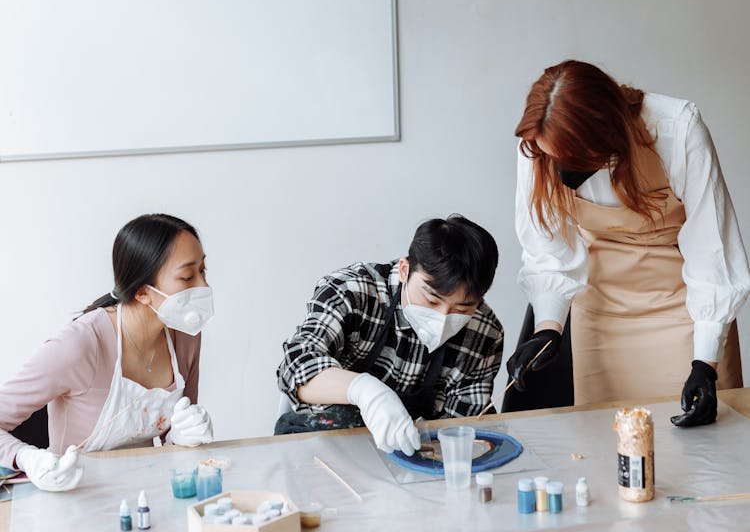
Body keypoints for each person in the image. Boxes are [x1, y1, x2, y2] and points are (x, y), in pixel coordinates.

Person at [507, 60, 750, 426]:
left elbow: (712, 250)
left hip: (683, 310)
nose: (557, 170)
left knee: (705, 452)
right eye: (550, 157)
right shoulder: (538, 145)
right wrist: (548, 328)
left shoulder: (677, 129)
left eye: (570, 159)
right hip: (601, 313)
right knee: (607, 445)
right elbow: (549, 252)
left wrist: (705, 363)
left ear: (606, 134)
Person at [0, 213, 215, 490]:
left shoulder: (186, 335)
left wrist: (184, 436)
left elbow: (175, 429)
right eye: (187, 276)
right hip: (75, 498)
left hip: (146, 493)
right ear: (141, 292)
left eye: (203, 271)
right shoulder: (79, 346)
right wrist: (26, 458)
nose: (203, 286)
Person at [275, 214, 504, 453]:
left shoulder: (485, 331)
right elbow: (296, 367)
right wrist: (365, 392)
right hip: (323, 446)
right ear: (405, 270)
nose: (444, 317)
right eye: (432, 299)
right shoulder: (353, 292)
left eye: (462, 308)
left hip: (411, 455)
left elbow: (460, 429)